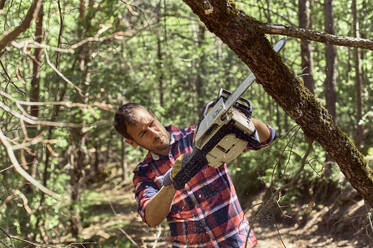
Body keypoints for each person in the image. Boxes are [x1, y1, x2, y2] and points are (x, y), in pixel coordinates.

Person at [114, 103, 276, 248]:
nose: (153, 132)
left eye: (151, 123)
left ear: (154, 116)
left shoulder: (198, 135)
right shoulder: (144, 172)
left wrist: (242, 119)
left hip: (238, 242)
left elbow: (266, 137)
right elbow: (151, 218)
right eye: (143, 133)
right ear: (132, 142)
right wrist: (171, 183)